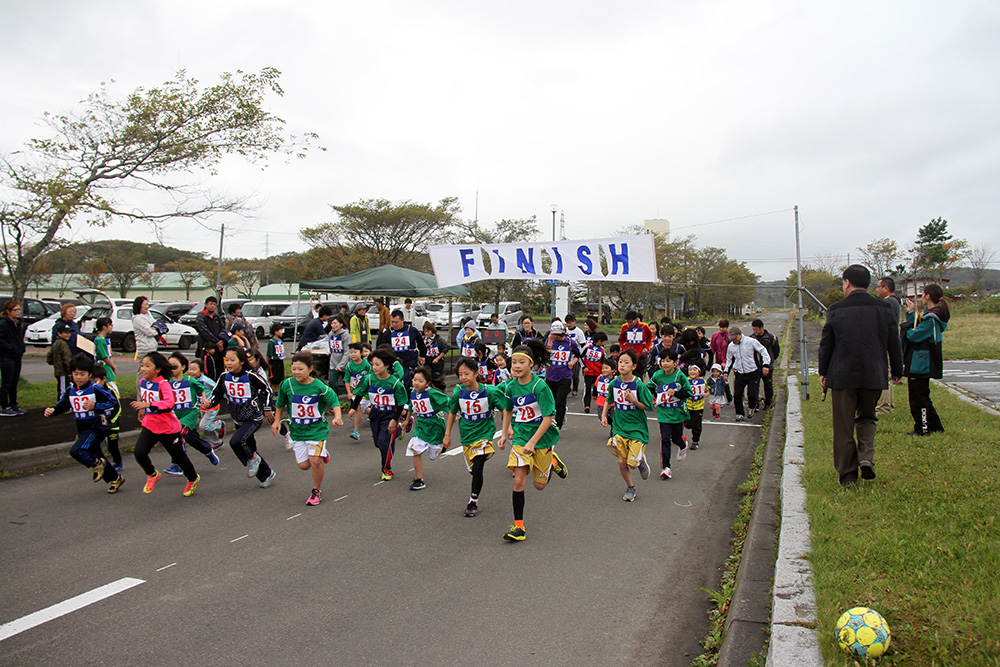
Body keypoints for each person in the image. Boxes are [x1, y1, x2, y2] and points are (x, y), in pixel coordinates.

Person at [818, 264, 903, 486]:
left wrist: (823, 372)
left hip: (842, 375)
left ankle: (847, 476)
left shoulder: (836, 309)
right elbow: (894, 341)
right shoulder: (884, 309)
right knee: (867, 417)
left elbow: (827, 344)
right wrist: (897, 369)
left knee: (843, 426)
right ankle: (866, 457)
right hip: (873, 374)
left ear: (847, 282)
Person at [499, 338, 567, 542]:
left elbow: (548, 418)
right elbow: (508, 411)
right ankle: (518, 527)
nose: (517, 366)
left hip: (542, 437)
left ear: (531, 364)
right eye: (514, 362)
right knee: (519, 480)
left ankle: (553, 461)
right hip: (520, 436)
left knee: (540, 485)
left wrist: (533, 442)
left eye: (521, 362)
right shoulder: (510, 387)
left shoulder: (540, 386)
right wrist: (504, 434)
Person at [43, 355, 124, 492]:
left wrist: (95, 405)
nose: (79, 377)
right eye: (76, 374)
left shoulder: (95, 388)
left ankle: (96, 464)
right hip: (82, 427)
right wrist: (53, 410)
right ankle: (115, 478)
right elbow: (63, 406)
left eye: (82, 374)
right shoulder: (71, 390)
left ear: (90, 374)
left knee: (77, 450)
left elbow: (113, 402)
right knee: (96, 453)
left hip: (96, 427)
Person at [273, 351, 343, 506]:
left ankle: (316, 491)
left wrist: (337, 416)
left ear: (310, 369)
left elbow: (334, 402)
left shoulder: (319, 386)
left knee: (315, 461)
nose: (296, 372)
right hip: (298, 431)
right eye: (294, 369)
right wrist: (277, 421)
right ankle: (322, 453)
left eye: (300, 369)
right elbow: (280, 404)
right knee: (304, 465)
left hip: (317, 430)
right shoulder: (287, 385)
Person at [202, 347, 277, 488]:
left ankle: (253, 459)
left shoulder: (251, 376)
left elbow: (267, 390)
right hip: (237, 418)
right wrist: (209, 403)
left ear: (242, 361)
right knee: (249, 446)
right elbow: (217, 394)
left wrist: (267, 408)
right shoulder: (224, 377)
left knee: (236, 442)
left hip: (253, 417)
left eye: (232, 360)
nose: (229, 363)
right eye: (227, 360)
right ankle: (266, 474)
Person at [442, 357, 506, 517]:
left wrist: (506, 430)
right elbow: (452, 413)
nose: (463, 377)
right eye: (460, 374)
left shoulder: (489, 391)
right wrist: (447, 435)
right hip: (467, 435)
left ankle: (473, 500)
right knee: (473, 471)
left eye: (467, 373)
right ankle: (476, 488)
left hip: (484, 433)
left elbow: (505, 409)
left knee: (478, 467)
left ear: (476, 373)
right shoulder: (458, 392)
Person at [131, 351, 200, 496]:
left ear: (157, 369)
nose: (142, 369)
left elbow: (169, 404)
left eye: (147, 366)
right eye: (142, 365)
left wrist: (149, 404)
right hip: (150, 425)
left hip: (168, 428)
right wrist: (142, 408)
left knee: (180, 458)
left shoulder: (163, 384)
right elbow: (144, 399)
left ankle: (193, 479)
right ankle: (152, 474)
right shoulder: (142, 382)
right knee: (139, 452)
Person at [601, 350, 653, 501]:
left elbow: (647, 406)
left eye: (626, 362)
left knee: (632, 464)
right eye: (620, 362)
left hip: (637, 428)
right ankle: (631, 487)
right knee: (621, 461)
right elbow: (608, 400)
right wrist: (604, 415)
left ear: (634, 366)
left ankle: (640, 460)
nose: (622, 365)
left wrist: (633, 400)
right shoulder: (614, 383)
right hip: (619, 427)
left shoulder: (639, 385)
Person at [348, 348, 409, 481]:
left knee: (384, 442)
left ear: (386, 365)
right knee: (377, 442)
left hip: (390, 413)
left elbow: (400, 404)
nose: (374, 367)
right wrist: (353, 408)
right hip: (375, 412)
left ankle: (386, 468)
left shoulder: (395, 383)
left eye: (377, 364)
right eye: (372, 364)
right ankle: (397, 431)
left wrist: (394, 419)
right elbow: (359, 393)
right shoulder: (368, 379)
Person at [902, 283, 949, 436]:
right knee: (923, 396)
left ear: (928, 296)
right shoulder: (932, 314)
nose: (921, 297)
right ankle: (936, 427)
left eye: (922, 294)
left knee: (918, 398)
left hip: (921, 362)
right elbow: (917, 326)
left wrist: (906, 329)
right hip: (922, 360)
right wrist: (911, 314)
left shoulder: (931, 318)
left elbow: (914, 335)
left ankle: (922, 429)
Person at [163, 352, 221, 476]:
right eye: (169, 367)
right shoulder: (167, 382)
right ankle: (207, 450)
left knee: (178, 435)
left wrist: (204, 399)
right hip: (176, 415)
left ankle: (177, 464)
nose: (172, 369)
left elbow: (202, 389)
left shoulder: (190, 381)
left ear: (183, 367)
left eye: (175, 366)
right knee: (192, 438)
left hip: (190, 414)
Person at [648, 348, 692, 479]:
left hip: (677, 412)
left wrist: (676, 393)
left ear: (675, 362)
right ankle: (666, 468)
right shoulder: (658, 375)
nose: (665, 363)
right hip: (663, 413)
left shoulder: (679, 376)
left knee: (676, 437)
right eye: (663, 361)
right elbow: (648, 387)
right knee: (665, 438)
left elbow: (689, 393)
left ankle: (683, 445)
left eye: (668, 361)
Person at [403, 366, 449, 490]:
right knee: (414, 449)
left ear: (427, 383)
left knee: (433, 455)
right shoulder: (413, 393)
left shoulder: (432, 393)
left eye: (420, 381)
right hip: (421, 426)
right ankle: (419, 479)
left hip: (435, 426)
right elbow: (412, 406)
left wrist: (451, 414)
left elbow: (447, 402)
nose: (416, 383)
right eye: (414, 380)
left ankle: (441, 447)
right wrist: (407, 420)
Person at [724, 326, 771, 422]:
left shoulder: (750, 341)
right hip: (739, 372)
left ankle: (751, 408)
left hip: (752, 372)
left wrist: (766, 364)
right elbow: (729, 359)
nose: (734, 340)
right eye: (732, 339)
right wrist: (726, 371)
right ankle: (739, 413)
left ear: (740, 335)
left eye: (735, 338)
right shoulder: (731, 346)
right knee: (737, 394)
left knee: (752, 394)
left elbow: (763, 351)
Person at [375, 309, 427, 389]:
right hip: (394, 364)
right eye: (392, 322)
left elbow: (420, 343)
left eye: (396, 322)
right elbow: (382, 348)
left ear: (402, 320)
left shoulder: (412, 330)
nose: (394, 324)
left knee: (406, 383)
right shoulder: (388, 333)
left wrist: (422, 355)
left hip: (409, 363)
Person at [544, 320, 580, 428]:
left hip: (565, 375)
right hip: (551, 375)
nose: (558, 337)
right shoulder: (549, 341)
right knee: (552, 400)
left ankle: (558, 424)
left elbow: (578, 354)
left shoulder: (570, 342)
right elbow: (546, 354)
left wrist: (572, 362)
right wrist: (550, 341)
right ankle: (555, 416)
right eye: (556, 335)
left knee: (560, 400)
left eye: (559, 335)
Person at [875, 277, 903, 415]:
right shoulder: (894, 302)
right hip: (887, 341)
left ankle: (885, 406)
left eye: (879, 287)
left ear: (886, 288)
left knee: (884, 374)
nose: (877, 290)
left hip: (885, 342)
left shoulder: (889, 303)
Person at [89, 365, 123, 472]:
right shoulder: (91, 392)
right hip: (99, 424)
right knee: (95, 445)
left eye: (96, 380)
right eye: (91, 381)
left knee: (112, 446)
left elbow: (118, 408)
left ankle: (118, 462)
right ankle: (101, 462)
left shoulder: (110, 391)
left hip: (112, 424)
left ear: (103, 378)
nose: (94, 384)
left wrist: (110, 419)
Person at [190, 358, 224, 448]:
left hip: (212, 406)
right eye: (190, 369)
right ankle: (217, 442)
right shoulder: (191, 381)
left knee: (203, 426)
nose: (191, 372)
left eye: (194, 369)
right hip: (202, 407)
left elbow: (218, 388)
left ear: (201, 371)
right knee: (205, 428)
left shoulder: (205, 380)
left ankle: (219, 424)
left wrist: (224, 397)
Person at [0, 300, 27, 416]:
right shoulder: (3, 324)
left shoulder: (18, 323)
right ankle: (4, 405)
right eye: (15, 310)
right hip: (7, 356)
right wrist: (10, 348)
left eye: (19, 309)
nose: (18, 312)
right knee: (7, 382)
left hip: (17, 356)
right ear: (8, 311)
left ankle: (13, 404)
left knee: (14, 382)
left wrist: (21, 348)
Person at [751, 319, 780, 410]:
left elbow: (776, 351)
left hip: (767, 366)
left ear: (762, 328)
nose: (755, 331)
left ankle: (768, 402)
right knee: (754, 386)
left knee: (768, 385)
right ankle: (755, 404)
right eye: (753, 329)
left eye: (756, 329)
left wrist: (769, 362)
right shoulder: (751, 338)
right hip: (755, 366)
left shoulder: (771, 338)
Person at [132, 296, 158, 396]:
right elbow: (150, 332)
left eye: (147, 304)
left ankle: (151, 390)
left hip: (153, 347)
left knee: (152, 370)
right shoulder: (137, 319)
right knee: (142, 371)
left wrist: (155, 328)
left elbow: (156, 325)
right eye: (145, 305)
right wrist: (154, 329)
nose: (147, 307)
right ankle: (140, 394)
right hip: (144, 348)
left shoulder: (148, 314)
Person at [194, 296, 226, 381]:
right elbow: (205, 332)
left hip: (218, 350)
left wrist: (222, 340)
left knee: (219, 369)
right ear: (206, 305)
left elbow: (222, 329)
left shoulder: (216, 316)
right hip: (207, 348)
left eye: (214, 304)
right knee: (209, 370)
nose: (213, 306)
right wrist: (216, 342)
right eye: (211, 304)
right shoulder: (201, 316)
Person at [345, 342, 372, 440]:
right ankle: (356, 431)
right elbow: (347, 380)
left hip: (366, 392)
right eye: (351, 352)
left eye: (355, 352)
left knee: (360, 408)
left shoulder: (367, 365)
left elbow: (372, 378)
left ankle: (357, 430)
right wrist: (349, 392)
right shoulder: (349, 366)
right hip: (355, 392)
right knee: (363, 409)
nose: (353, 354)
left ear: (361, 353)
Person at [618, 311, 654, 380]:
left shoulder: (644, 326)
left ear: (636, 319)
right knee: (627, 374)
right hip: (629, 354)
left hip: (640, 355)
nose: (630, 324)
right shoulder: (625, 327)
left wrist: (647, 348)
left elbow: (650, 337)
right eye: (628, 322)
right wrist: (623, 348)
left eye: (631, 322)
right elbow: (621, 339)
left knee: (638, 376)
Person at [47, 323, 74, 400]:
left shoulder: (55, 343)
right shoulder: (63, 344)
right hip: (63, 371)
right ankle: (62, 405)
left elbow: (49, 357)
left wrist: (55, 362)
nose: (68, 335)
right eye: (65, 333)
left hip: (58, 370)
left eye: (69, 333)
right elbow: (67, 359)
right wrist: (69, 371)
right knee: (64, 389)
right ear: (59, 333)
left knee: (61, 387)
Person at [709, 319, 733, 403]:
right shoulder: (715, 335)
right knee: (717, 379)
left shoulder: (729, 337)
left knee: (724, 379)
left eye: (723, 327)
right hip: (718, 361)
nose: (721, 329)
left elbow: (732, 350)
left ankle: (728, 397)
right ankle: (719, 398)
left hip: (727, 361)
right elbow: (712, 349)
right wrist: (711, 362)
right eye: (720, 327)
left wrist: (726, 362)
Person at [327, 314, 352, 396]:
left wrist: (341, 365)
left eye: (335, 323)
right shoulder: (330, 335)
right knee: (332, 382)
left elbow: (347, 352)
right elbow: (331, 349)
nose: (333, 325)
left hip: (344, 364)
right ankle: (334, 400)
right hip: (333, 363)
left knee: (347, 383)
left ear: (341, 324)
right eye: (332, 323)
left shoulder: (345, 335)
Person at [564, 313, 587, 397]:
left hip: (576, 356)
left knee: (575, 374)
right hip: (566, 356)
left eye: (570, 322)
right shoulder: (565, 331)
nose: (568, 324)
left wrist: (580, 355)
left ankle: (575, 389)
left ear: (574, 322)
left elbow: (583, 344)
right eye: (567, 323)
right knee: (566, 374)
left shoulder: (579, 332)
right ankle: (567, 388)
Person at [92, 317, 118, 393]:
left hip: (102, 367)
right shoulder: (100, 341)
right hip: (105, 368)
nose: (111, 327)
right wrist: (113, 366)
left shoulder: (99, 339)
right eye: (110, 325)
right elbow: (105, 357)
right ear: (104, 327)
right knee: (113, 390)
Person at [685, 363, 706, 450]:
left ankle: (695, 441)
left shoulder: (703, 381)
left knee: (696, 424)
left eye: (694, 370)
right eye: (690, 370)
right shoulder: (686, 380)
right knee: (688, 423)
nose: (692, 372)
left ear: (699, 372)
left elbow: (708, 390)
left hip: (699, 406)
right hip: (688, 405)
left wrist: (706, 394)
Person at [266, 323, 286, 390]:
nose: (282, 332)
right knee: (274, 377)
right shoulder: (272, 342)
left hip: (280, 361)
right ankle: (274, 390)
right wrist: (268, 364)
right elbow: (269, 355)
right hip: (274, 362)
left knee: (280, 377)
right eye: (280, 330)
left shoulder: (280, 341)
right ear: (276, 332)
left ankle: (278, 390)